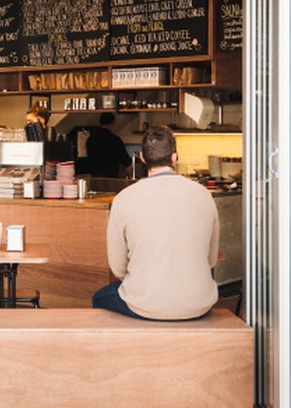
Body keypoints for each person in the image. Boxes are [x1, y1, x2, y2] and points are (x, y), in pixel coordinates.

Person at [92, 125, 220, 320]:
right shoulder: (204, 195)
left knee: (99, 298)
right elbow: (211, 260)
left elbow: (118, 268)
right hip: (199, 303)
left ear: (142, 157)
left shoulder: (125, 198)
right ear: (175, 158)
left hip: (145, 303)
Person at [85, 112, 131, 177]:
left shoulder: (91, 140)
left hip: (94, 180)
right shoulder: (115, 140)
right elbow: (126, 163)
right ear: (112, 123)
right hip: (111, 180)